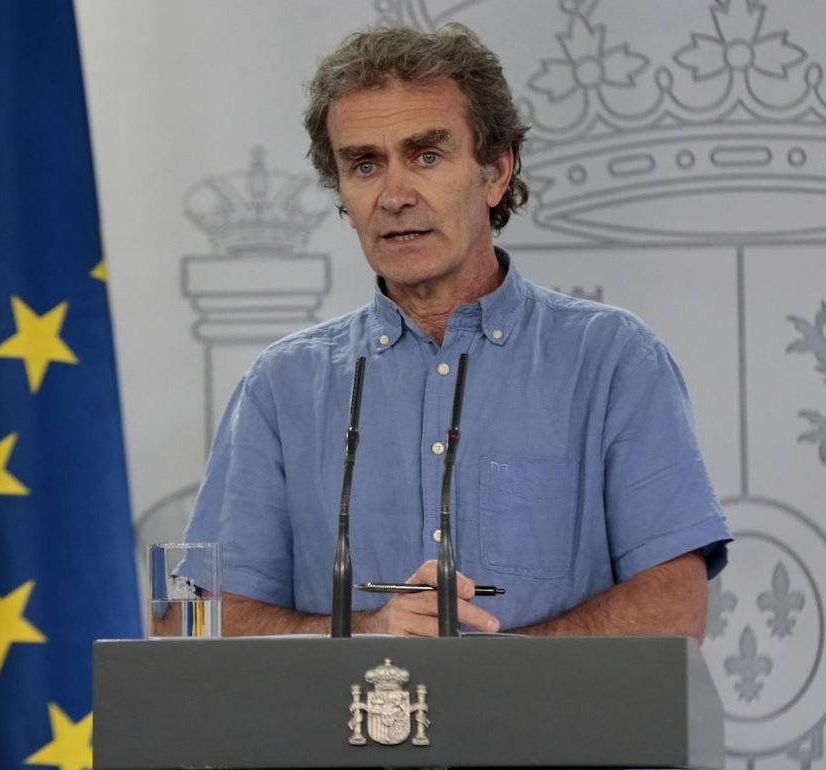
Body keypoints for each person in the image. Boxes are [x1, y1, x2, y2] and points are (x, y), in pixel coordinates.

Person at [181, 23, 731, 639]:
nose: (394, 195)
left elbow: (674, 609)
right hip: (353, 709)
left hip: (546, 710)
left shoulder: (612, 359)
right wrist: (366, 639)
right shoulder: (282, 384)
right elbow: (200, 622)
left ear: (496, 171)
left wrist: (479, 678)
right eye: (364, 165)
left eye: (427, 156)